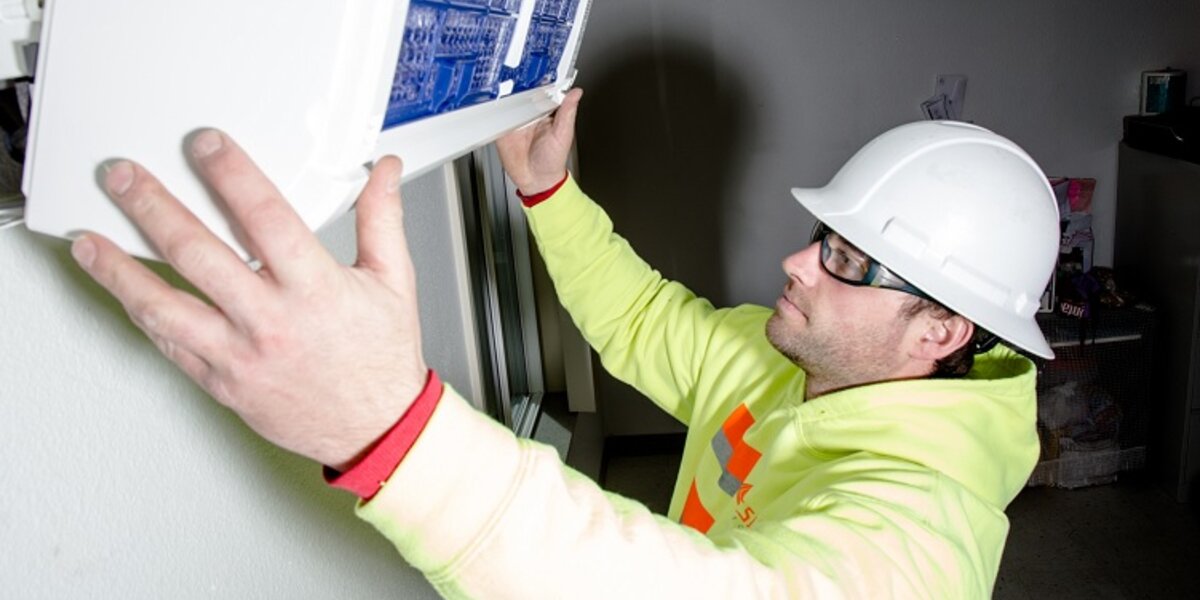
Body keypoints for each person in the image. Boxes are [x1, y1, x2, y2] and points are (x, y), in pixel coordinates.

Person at [70, 88, 1059, 598]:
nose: (797, 263)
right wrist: (548, 190)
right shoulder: (783, 365)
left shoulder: (927, 531)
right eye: (822, 237)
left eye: (845, 260)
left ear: (940, 328)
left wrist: (393, 433)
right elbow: (641, 320)